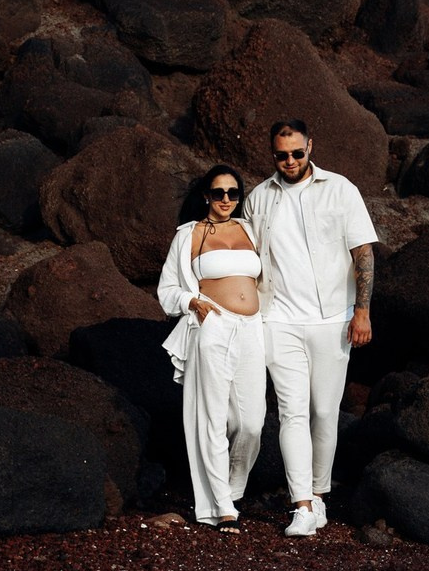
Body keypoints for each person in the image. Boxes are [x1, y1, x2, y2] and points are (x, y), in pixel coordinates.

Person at [243, 119, 378, 537]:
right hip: (278, 321)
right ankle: (301, 503)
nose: (289, 161)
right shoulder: (258, 199)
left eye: (297, 153)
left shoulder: (341, 190)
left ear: (310, 147)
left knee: (324, 412)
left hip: (333, 320)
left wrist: (362, 311)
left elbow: (363, 253)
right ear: (272, 154)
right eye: (281, 155)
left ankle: (319, 495)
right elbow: (245, 263)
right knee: (291, 412)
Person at [157, 164, 265, 532]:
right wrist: (191, 300)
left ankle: (231, 490)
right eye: (218, 193)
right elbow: (167, 288)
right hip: (213, 326)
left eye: (233, 193)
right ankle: (222, 506)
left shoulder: (251, 230)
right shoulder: (190, 234)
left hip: (252, 328)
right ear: (206, 195)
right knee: (212, 418)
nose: (225, 200)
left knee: (252, 422)